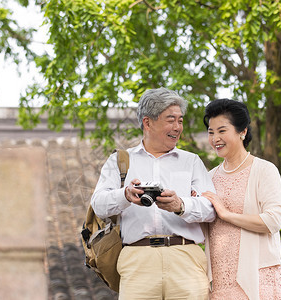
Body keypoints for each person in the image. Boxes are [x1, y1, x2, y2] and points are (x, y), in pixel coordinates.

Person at [91, 88, 216, 300]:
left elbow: (212, 208)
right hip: (137, 260)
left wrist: (180, 205)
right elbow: (98, 205)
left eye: (180, 120)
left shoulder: (191, 161)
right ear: (147, 123)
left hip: (185, 259)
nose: (177, 127)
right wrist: (126, 195)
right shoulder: (119, 161)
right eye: (171, 120)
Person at [201, 99, 281, 300]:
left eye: (222, 131)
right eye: (211, 132)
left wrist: (227, 214)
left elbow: (273, 221)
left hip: (257, 278)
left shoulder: (265, 170)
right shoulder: (209, 177)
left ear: (243, 131)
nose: (215, 139)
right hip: (220, 283)